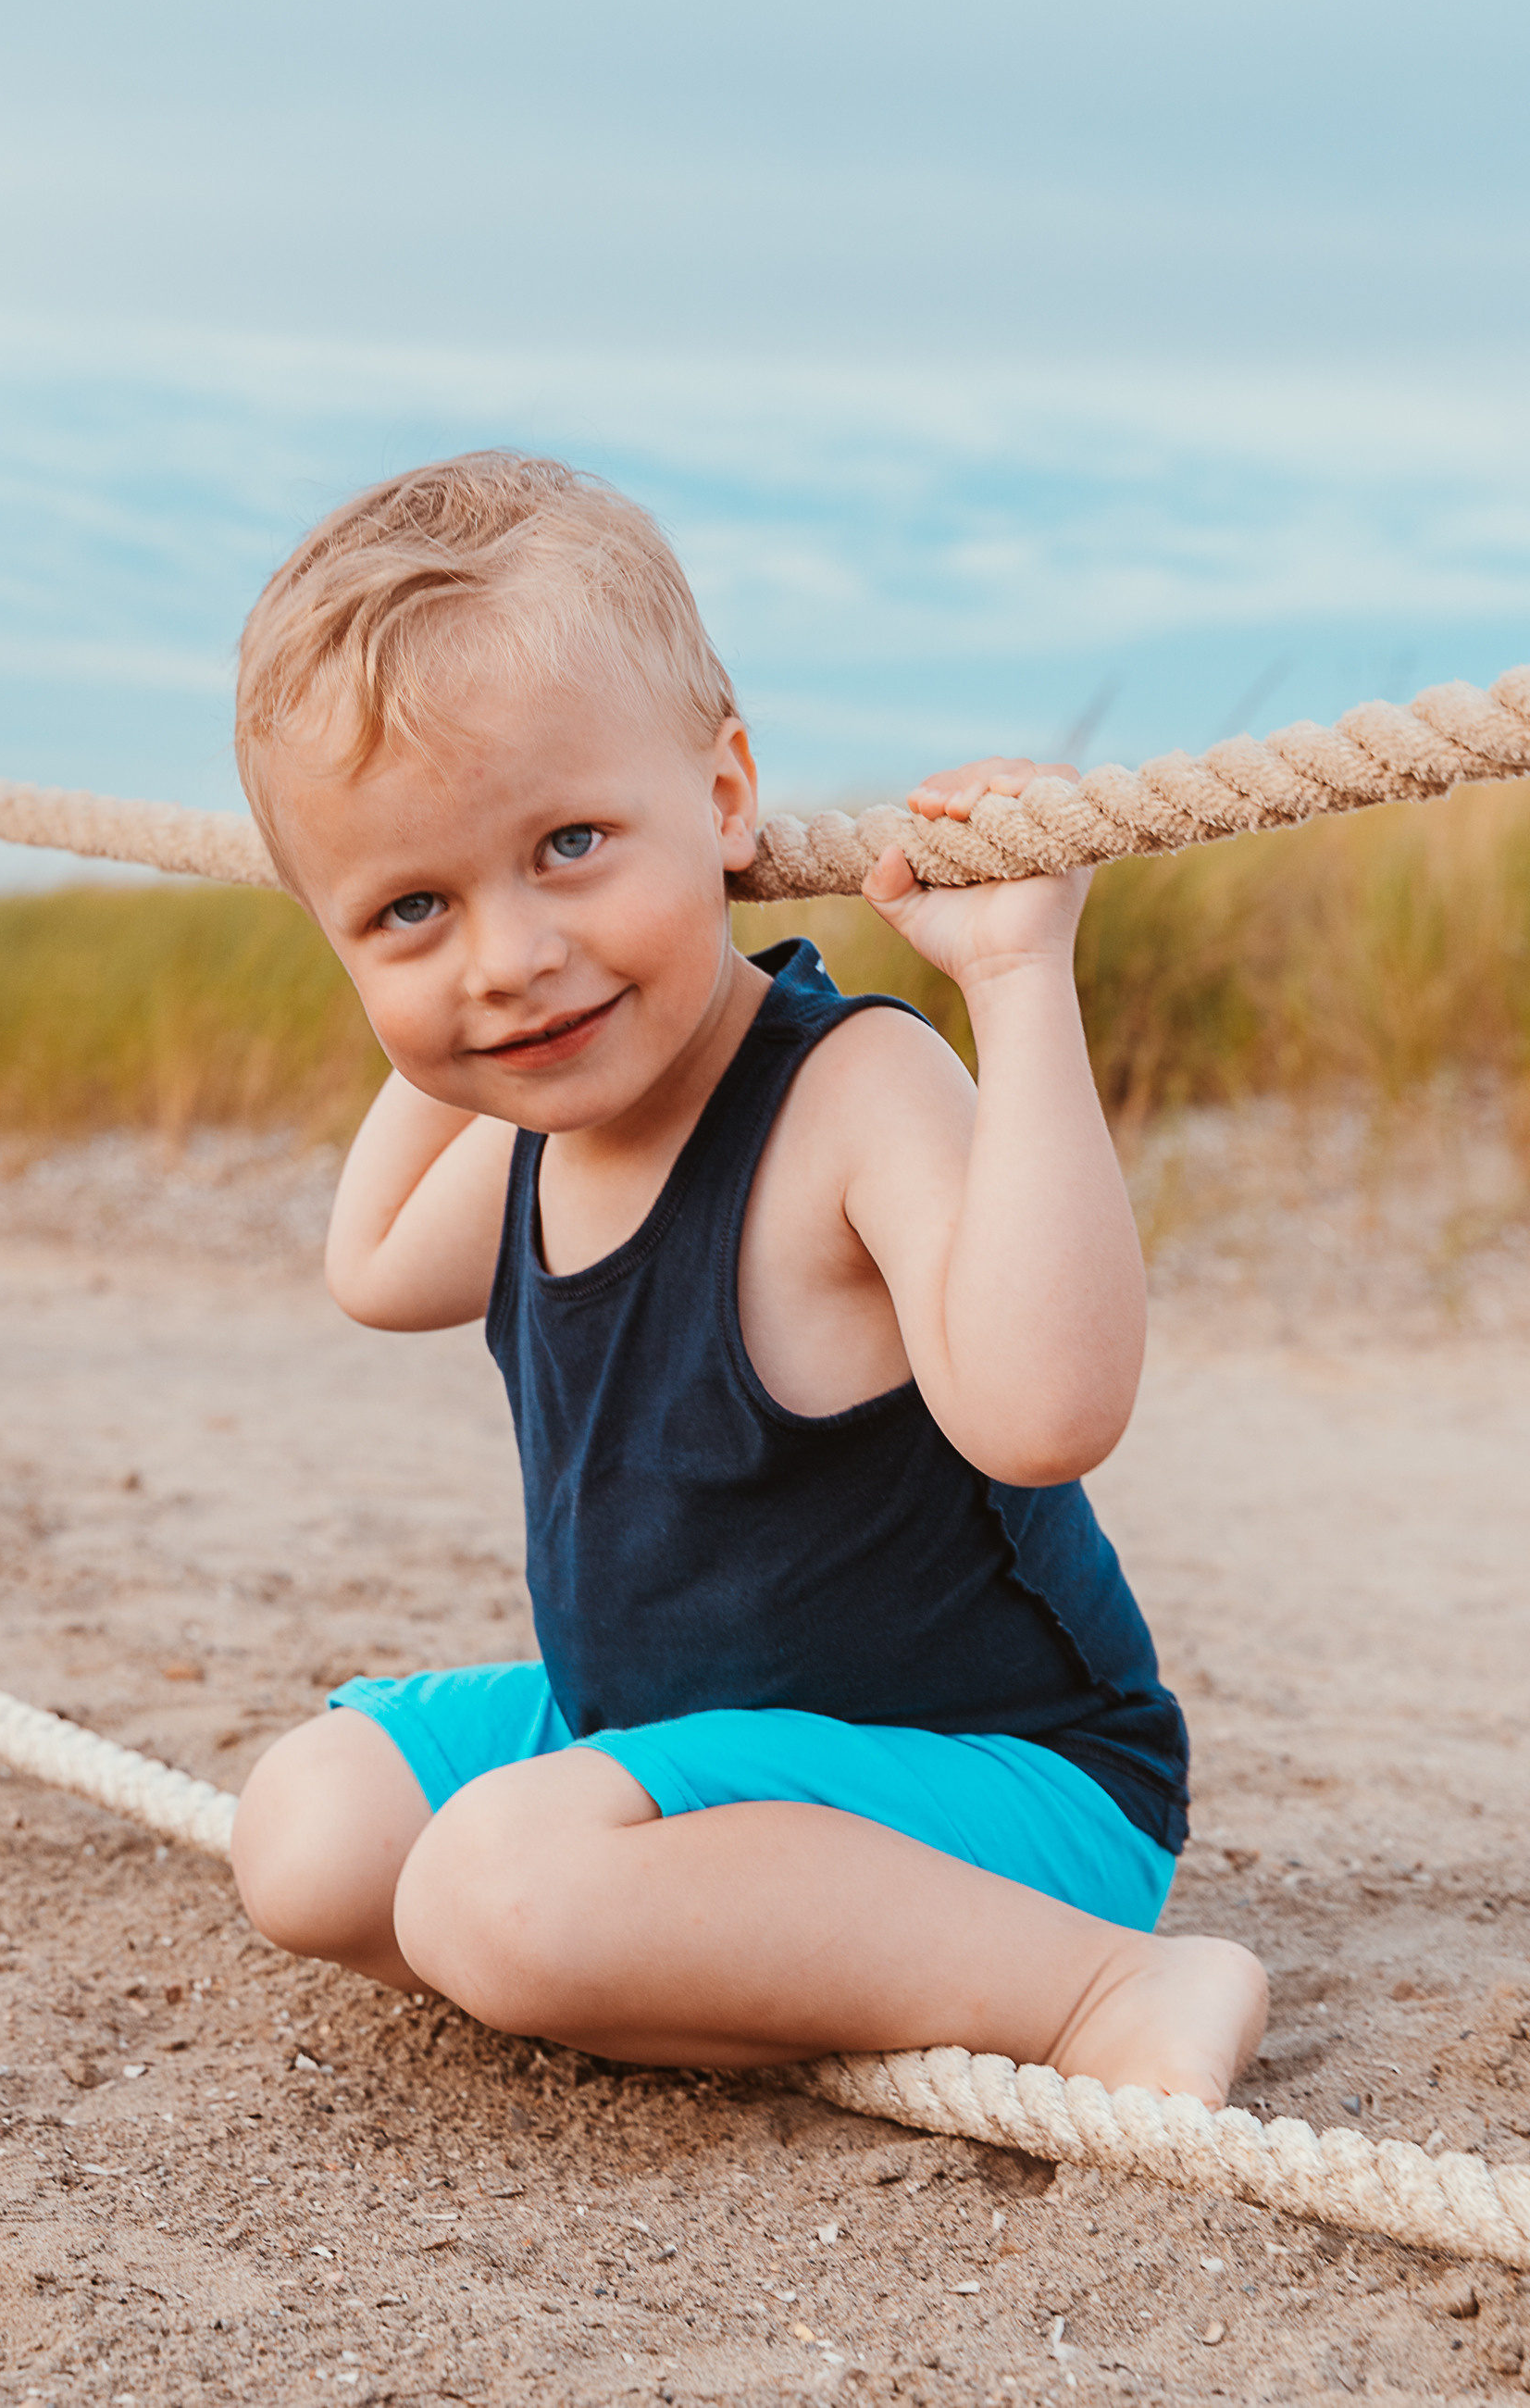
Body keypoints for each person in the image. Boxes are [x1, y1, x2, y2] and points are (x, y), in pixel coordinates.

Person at [227, 451, 1267, 2104]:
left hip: (991, 1788)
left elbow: (1049, 1412)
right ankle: (728, 1947)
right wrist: (457, 1013)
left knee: (497, 1895)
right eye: (414, 908)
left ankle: (1099, 1993)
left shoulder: (848, 1091)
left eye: (570, 842)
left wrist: (1014, 984)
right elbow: (368, 1267)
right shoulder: (527, 1136)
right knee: (307, 1839)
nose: (513, 956)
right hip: (672, 1744)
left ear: (723, 803)